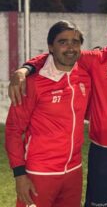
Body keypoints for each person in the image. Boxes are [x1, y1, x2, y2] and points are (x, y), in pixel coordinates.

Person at [9, 13, 107, 207]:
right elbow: (57, 54)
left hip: (99, 160)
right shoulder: (94, 60)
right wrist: (25, 69)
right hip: (69, 161)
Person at [5, 20, 91, 207]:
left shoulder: (84, 75)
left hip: (73, 172)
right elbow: (13, 130)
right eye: (63, 42)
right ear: (51, 47)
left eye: (75, 42)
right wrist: (20, 175)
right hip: (39, 174)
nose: (70, 47)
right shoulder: (33, 83)